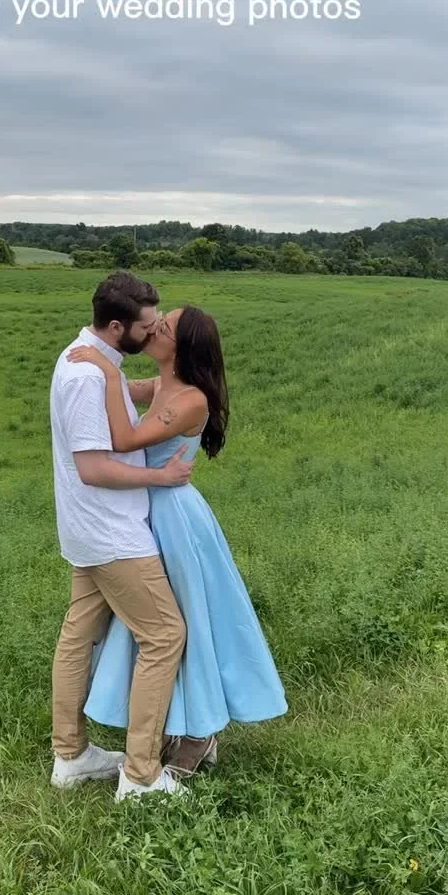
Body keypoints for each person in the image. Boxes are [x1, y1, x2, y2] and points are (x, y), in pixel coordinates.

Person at [68, 304, 288, 776]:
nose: (154, 328)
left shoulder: (191, 399)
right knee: (154, 626)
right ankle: (172, 723)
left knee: (184, 622)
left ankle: (199, 734)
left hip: (174, 518)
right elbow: (120, 393)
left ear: (181, 347)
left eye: (164, 327)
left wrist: (104, 366)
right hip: (145, 511)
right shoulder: (160, 385)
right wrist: (98, 364)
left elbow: (124, 439)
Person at [49, 272, 195, 802]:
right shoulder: (88, 376)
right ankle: (141, 776)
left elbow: (132, 400)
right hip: (112, 533)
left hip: (88, 530)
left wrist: (151, 379)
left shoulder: (91, 360)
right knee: (165, 635)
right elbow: (94, 467)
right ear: (117, 327)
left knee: (79, 635)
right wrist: (161, 476)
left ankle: (71, 756)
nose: (153, 332)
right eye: (147, 326)